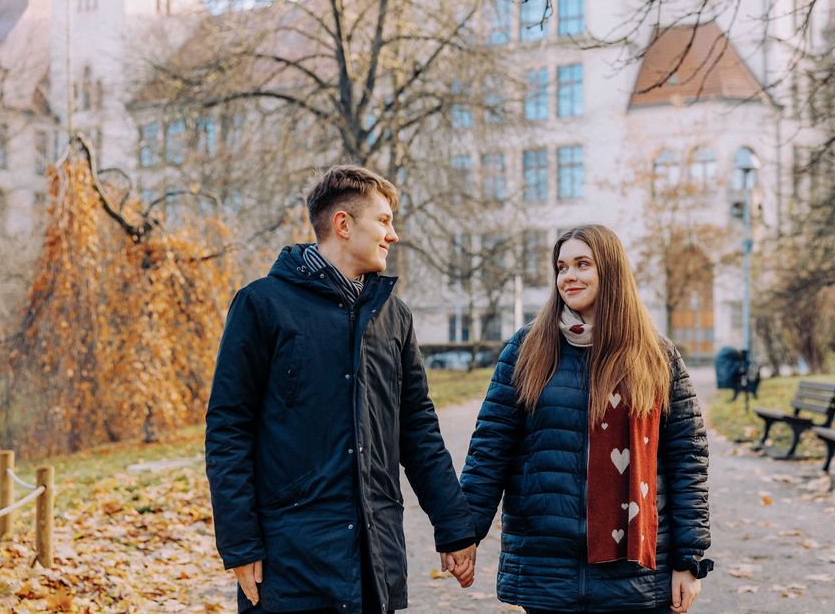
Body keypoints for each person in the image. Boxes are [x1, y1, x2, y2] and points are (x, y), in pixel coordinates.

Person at [206, 165, 476, 614]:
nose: (393, 235)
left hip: (375, 557)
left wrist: (454, 527)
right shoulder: (262, 305)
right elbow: (228, 430)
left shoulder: (394, 316)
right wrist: (240, 545)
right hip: (289, 561)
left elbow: (418, 429)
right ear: (343, 224)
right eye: (383, 221)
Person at [460, 224, 713, 614]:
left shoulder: (656, 356)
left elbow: (687, 462)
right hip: (547, 566)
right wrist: (463, 534)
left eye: (582, 264)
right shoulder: (527, 348)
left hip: (636, 574)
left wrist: (689, 560)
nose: (568, 276)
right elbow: (490, 449)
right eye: (561, 267)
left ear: (610, 271)